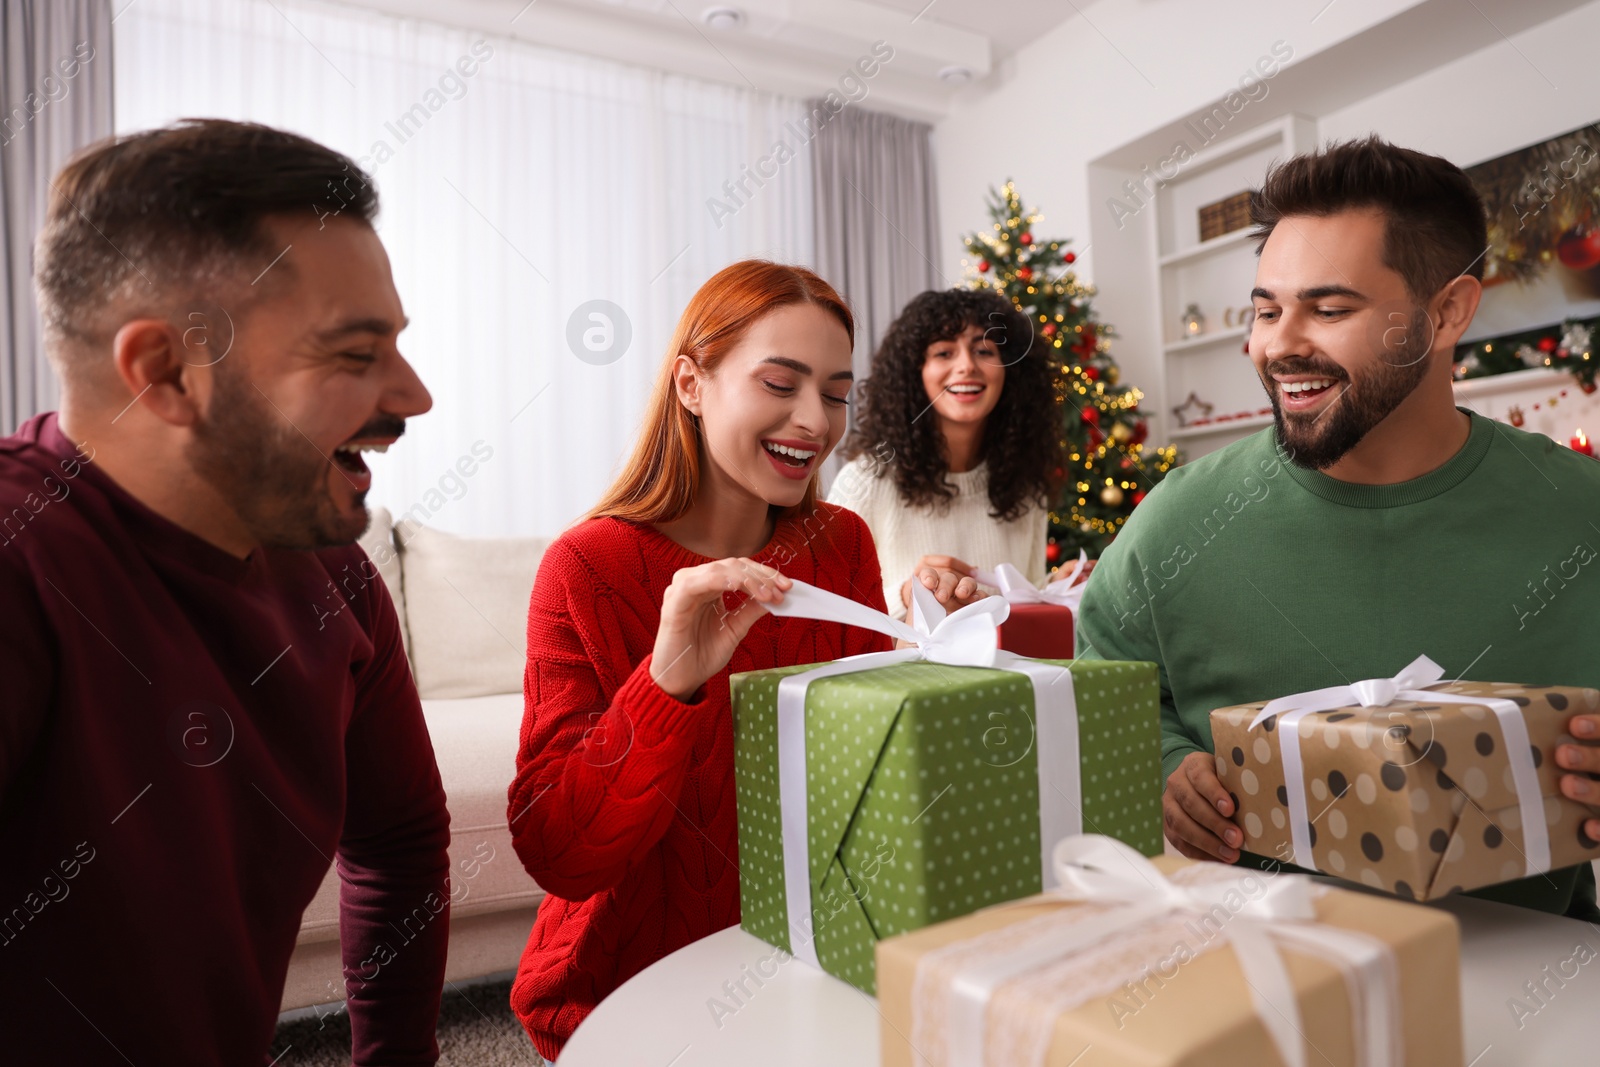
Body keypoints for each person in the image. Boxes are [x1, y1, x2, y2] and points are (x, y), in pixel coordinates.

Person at [0, 120, 451, 1063]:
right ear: (165, 373)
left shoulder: (335, 578)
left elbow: (401, 842)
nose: (413, 397)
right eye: (355, 353)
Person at [1077, 135, 1600, 919]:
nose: (1277, 345)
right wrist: (1165, 767)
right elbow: (1098, 694)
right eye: (1265, 310)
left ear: (1449, 311)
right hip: (1262, 985)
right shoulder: (1175, 524)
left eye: (1328, 309)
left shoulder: (1578, 510)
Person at [505, 261, 969, 1060]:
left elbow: (862, 788)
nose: (814, 422)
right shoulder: (587, 567)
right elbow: (560, 852)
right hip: (630, 983)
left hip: (813, 959)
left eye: (833, 393)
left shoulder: (840, 544)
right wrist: (666, 685)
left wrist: (936, 647)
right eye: (779, 383)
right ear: (691, 383)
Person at [827, 287, 1068, 619]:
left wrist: (1058, 588)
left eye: (984, 350)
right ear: (915, 373)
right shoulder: (865, 481)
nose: (967, 366)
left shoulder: (1026, 488)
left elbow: (1020, 598)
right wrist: (906, 596)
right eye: (944, 353)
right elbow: (830, 615)